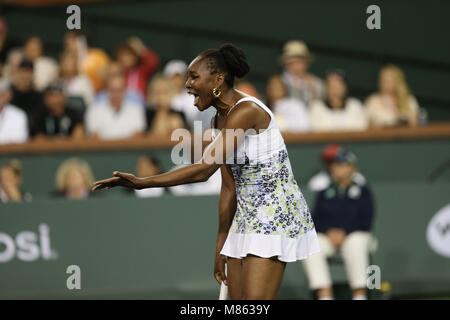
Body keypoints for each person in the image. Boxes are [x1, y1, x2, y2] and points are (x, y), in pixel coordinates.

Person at [92, 43, 320, 300]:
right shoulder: (218, 119)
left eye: (194, 77)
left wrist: (143, 182)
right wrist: (221, 243)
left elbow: (204, 170)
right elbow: (228, 185)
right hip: (245, 217)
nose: (187, 84)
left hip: (275, 215)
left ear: (218, 80)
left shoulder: (246, 111)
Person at [302, 148, 376, 300]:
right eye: (334, 165)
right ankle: (325, 295)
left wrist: (345, 232)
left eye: (342, 165)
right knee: (310, 245)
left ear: (352, 167)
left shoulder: (363, 191)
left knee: (356, 242)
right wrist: (329, 232)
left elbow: (366, 220)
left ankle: (359, 295)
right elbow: (315, 219)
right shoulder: (325, 191)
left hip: (354, 236)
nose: (336, 169)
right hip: (330, 238)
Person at [85, 72, 146, 140]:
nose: (117, 94)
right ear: (107, 90)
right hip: (102, 150)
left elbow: (138, 135)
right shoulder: (94, 110)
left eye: (119, 90)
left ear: (125, 90)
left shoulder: (136, 110)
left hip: (129, 150)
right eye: (113, 90)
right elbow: (94, 137)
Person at [164, 59, 216, 132]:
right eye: (173, 77)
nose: (176, 81)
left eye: (179, 77)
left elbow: (198, 122)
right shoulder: (160, 96)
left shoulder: (193, 97)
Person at [279, 40, 324, 107]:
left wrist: (313, 90)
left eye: (299, 62)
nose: (296, 66)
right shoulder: (279, 82)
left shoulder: (317, 83)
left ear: (306, 63)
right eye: (291, 63)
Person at [116, 36, 159, 101]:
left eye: (130, 55)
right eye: (124, 55)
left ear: (135, 58)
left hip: (139, 104)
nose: (126, 59)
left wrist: (141, 49)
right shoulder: (116, 71)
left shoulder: (141, 71)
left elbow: (153, 62)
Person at [0, 78, 29, 144]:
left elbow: (20, 140)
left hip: (12, 153)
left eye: (2, 94)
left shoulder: (19, 115)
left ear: (9, 95)